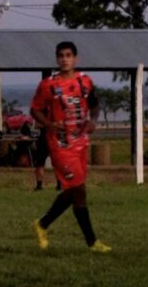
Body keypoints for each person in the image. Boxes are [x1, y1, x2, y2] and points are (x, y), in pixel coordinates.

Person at [30, 41, 111, 253]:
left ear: (75, 58)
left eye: (68, 55)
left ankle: (45, 224)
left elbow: (94, 105)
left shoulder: (85, 81)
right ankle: (89, 240)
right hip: (60, 143)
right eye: (61, 56)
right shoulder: (48, 85)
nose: (64, 59)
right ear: (57, 59)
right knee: (77, 189)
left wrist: (93, 120)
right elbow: (35, 110)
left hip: (80, 141)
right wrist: (49, 124)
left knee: (78, 191)